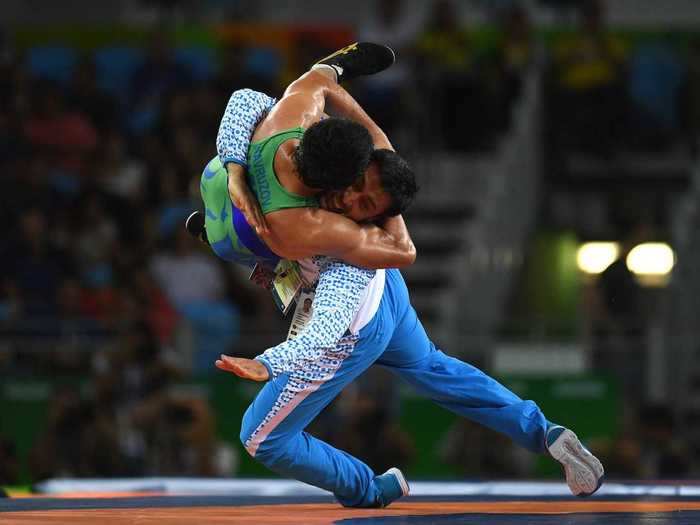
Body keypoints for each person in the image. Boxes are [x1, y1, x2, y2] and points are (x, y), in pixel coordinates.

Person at [209, 45, 605, 508]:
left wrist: (273, 361)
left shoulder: (287, 128)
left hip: (355, 316)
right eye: (354, 194)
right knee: (432, 366)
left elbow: (334, 319)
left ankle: (370, 489)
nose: (352, 206)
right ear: (333, 181)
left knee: (261, 439)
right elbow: (402, 248)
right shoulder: (312, 221)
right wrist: (378, 153)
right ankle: (544, 431)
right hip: (385, 296)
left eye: (365, 203)